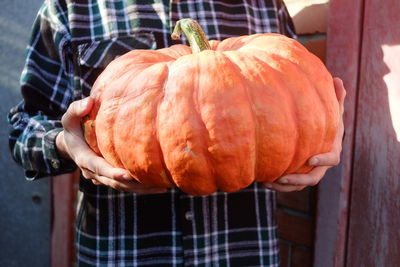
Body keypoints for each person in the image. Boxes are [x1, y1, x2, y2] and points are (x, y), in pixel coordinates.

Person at [8, 0, 345, 266]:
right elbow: (24, 132)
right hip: (122, 253)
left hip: (242, 251)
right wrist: (67, 144)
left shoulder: (263, 5)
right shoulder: (70, 6)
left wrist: (325, 131)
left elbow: (299, 101)